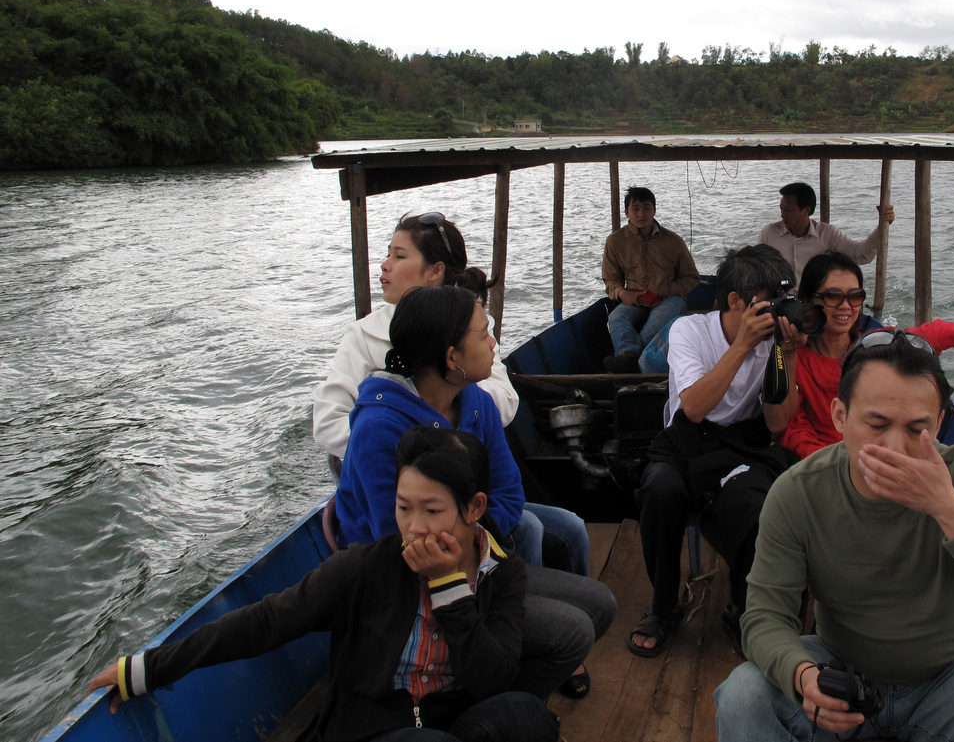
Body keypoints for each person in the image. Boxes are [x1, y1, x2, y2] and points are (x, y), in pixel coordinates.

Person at [88, 427, 561, 742]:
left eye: (432, 510)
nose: (414, 527)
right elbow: (266, 622)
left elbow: (494, 678)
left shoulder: (502, 571)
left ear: (474, 508)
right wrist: (150, 668)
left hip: (449, 717)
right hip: (374, 729)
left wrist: (449, 588)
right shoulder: (367, 568)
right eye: (403, 507)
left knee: (529, 717)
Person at [713, 331, 954, 742]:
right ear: (840, 416)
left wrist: (949, 509)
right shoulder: (800, 492)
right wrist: (803, 675)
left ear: (940, 423)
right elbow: (765, 616)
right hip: (842, 671)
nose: (894, 447)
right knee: (743, 697)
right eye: (876, 424)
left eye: (917, 429)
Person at [338, 284, 615, 701]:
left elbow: (508, 493)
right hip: (409, 581)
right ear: (452, 358)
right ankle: (495, 701)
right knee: (568, 615)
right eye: (484, 334)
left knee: (593, 586)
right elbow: (399, 538)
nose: (493, 343)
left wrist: (471, 539)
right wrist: (470, 540)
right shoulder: (379, 430)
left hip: (474, 552)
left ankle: (511, 647)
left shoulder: (475, 402)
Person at [313, 211, 587, 577]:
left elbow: (502, 415)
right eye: (389, 254)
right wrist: (417, 445)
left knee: (570, 528)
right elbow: (332, 424)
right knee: (529, 529)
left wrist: (451, 401)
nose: (384, 265)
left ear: (435, 270)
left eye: (399, 255)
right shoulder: (367, 345)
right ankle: (517, 602)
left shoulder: (471, 349)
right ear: (450, 356)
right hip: (406, 502)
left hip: (466, 490)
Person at [628, 244, 797, 658]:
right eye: (768, 300)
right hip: (688, 440)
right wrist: (742, 346)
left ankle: (744, 611)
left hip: (742, 444)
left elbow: (777, 423)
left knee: (758, 505)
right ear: (736, 301)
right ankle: (663, 606)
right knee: (659, 489)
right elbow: (694, 407)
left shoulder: (773, 341)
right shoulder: (689, 331)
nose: (775, 309)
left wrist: (788, 354)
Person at [766, 252, 954, 459]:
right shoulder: (795, 359)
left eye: (855, 296)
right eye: (833, 296)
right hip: (826, 462)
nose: (845, 305)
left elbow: (915, 337)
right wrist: (836, 464)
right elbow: (792, 428)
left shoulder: (871, 345)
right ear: (809, 300)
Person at [601, 186, 700, 373]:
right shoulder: (615, 241)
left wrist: (663, 291)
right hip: (635, 297)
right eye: (635, 208)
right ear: (626, 212)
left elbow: (691, 278)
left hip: (669, 298)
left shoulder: (673, 241)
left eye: (646, 208)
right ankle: (632, 356)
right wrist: (622, 293)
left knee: (653, 326)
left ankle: (629, 361)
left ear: (654, 210)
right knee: (616, 317)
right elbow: (610, 279)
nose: (641, 214)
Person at [756, 181, 894, 282]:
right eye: (781, 209)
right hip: (779, 303)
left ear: (806, 210)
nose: (783, 215)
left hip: (814, 303)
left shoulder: (827, 235)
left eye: (788, 210)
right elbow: (756, 269)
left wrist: (882, 226)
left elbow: (861, 254)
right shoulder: (769, 233)